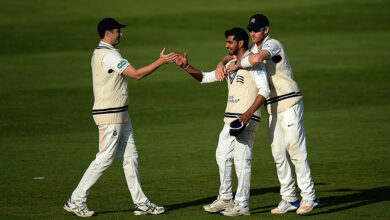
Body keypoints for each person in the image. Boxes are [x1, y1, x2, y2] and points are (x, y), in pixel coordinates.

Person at [63, 17, 177, 217]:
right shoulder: (108, 56)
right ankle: (76, 199)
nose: (121, 33)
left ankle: (141, 203)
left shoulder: (108, 53)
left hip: (120, 113)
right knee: (105, 158)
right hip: (110, 115)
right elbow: (137, 74)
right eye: (118, 30)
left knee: (130, 157)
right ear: (108, 32)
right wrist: (161, 61)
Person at [216, 14, 319, 215]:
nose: (253, 33)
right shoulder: (253, 47)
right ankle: (289, 198)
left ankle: (309, 196)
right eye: (251, 30)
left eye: (257, 29)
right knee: (279, 154)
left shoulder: (273, 45)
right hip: (272, 108)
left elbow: (255, 59)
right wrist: (222, 63)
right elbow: (235, 55)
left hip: (289, 102)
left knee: (296, 152)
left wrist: (237, 64)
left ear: (266, 30)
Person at [175, 28, 270, 216]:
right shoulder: (232, 63)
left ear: (240, 43)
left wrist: (249, 114)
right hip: (230, 120)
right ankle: (226, 198)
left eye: (230, 42)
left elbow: (264, 90)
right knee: (222, 156)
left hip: (246, 119)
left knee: (242, 160)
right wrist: (187, 67)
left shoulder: (253, 62)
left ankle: (242, 204)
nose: (226, 45)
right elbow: (206, 77)